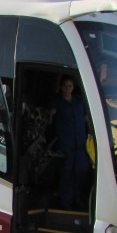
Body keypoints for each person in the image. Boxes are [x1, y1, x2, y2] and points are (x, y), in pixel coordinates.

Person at [50, 77, 90, 210]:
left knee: (81, 170)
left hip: (80, 143)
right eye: (66, 86)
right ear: (61, 87)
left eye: (70, 86)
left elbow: (86, 119)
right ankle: (65, 202)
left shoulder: (80, 102)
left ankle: (77, 198)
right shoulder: (57, 102)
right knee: (66, 172)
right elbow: (50, 117)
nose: (68, 89)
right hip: (65, 144)